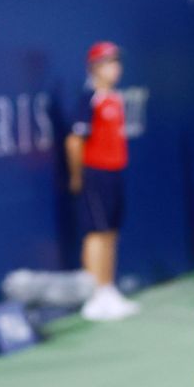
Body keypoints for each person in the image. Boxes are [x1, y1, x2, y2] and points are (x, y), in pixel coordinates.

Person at [67, 41, 139, 322]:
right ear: (95, 67)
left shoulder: (115, 98)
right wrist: (78, 176)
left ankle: (108, 289)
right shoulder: (89, 98)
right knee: (96, 233)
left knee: (111, 232)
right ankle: (94, 296)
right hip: (94, 174)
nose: (116, 68)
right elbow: (74, 142)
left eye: (117, 62)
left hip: (114, 173)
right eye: (110, 63)